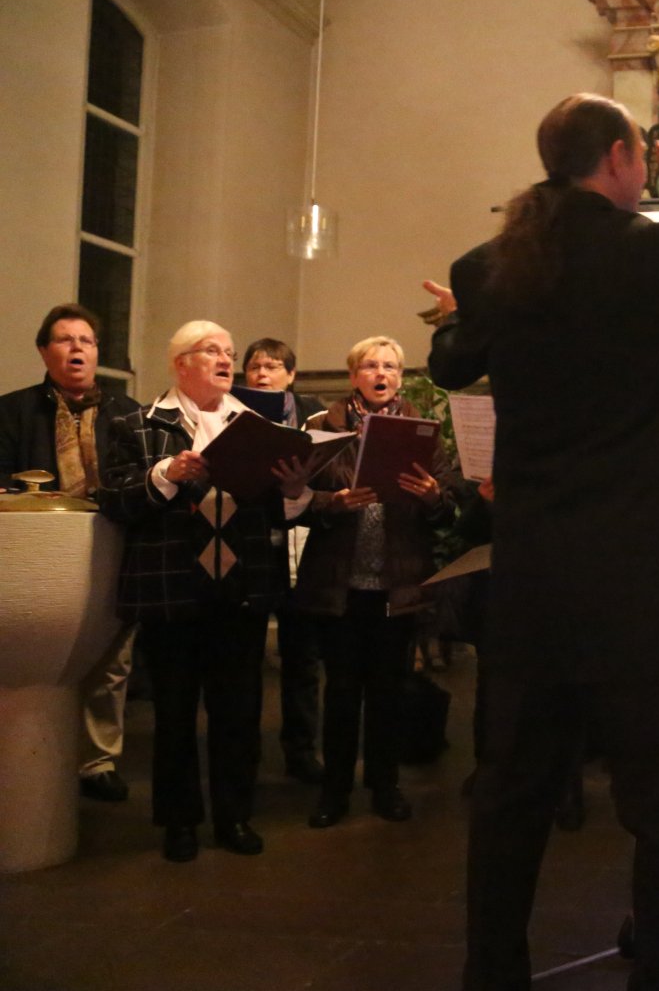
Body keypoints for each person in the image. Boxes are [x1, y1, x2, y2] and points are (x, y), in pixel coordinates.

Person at [439, 95, 659, 991]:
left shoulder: (488, 268)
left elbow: (452, 358)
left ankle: (492, 975)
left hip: (535, 579)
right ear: (626, 159)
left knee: (510, 800)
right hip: (645, 581)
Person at [98, 321, 312, 862]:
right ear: (180, 363)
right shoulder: (138, 423)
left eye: (230, 353)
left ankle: (234, 817)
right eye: (212, 351)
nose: (226, 360)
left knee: (238, 712)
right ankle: (179, 823)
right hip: (172, 587)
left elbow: (275, 513)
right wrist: (167, 472)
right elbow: (116, 500)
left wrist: (292, 491)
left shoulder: (253, 424)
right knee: (173, 714)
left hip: (240, 587)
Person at [294, 335, 457, 829]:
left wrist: (432, 496)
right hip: (339, 582)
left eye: (390, 366)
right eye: (370, 365)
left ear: (401, 378)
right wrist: (332, 503)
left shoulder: (424, 434)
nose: (380, 373)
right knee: (341, 692)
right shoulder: (323, 429)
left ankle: (385, 786)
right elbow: (294, 499)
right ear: (354, 376)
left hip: (397, 583)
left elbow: (450, 507)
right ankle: (335, 791)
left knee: (388, 692)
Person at [0, 304, 139, 802]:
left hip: (112, 548)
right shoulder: (12, 411)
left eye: (87, 340)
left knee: (112, 660)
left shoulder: (127, 413)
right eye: (65, 340)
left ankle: (97, 760)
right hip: (39, 558)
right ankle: (31, 755)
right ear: (44, 350)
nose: (78, 348)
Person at [240, 337, 328, 786]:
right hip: (253, 545)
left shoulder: (315, 413)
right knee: (247, 655)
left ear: (291, 376)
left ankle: (301, 750)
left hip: (303, 543)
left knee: (303, 657)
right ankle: (244, 751)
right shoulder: (234, 413)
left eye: (272, 366)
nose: (262, 374)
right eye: (254, 366)